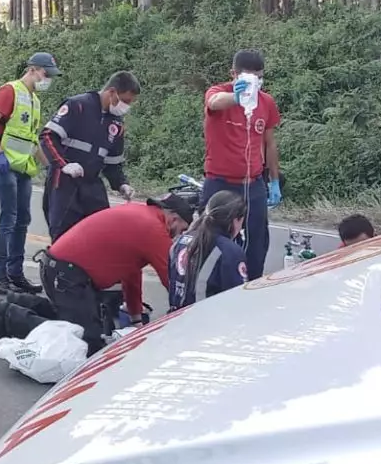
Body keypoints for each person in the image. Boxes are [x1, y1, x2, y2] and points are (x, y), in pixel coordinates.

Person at [35, 192, 187, 356]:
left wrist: (136, 320)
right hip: (67, 277)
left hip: (62, 272)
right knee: (87, 345)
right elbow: (173, 281)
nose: (180, 235)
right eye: (182, 229)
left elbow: (131, 275)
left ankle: (21, 307)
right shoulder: (153, 228)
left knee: (84, 331)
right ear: (174, 218)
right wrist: (192, 316)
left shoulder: (141, 216)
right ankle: (9, 315)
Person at [0, 52, 60, 295]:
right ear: (33, 69)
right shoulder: (9, 91)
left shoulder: (34, 100)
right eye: (46, 74)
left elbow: (32, 140)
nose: (47, 79)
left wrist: (52, 165)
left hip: (22, 167)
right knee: (9, 218)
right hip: (1, 163)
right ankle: (1, 277)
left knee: (23, 220)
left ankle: (16, 275)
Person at [202, 49, 283, 281]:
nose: (254, 84)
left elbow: (269, 144)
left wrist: (274, 180)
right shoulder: (221, 93)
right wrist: (237, 97)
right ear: (234, 75)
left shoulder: (266, 102)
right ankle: (202, 288)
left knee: (257, 240)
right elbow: (214, 102)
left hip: (253, 183)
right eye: (248, 78)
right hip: (220, 183)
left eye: (258, 78)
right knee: (210, 238)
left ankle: (251, 285)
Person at [39, 71, 140, 242]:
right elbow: (48, 136)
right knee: (64, 239)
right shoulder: (77, 106)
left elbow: (113, 163)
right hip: (65, 183)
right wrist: (63, 165)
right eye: (125, 101)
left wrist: (122, 184)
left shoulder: (116, 123)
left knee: (100, 235)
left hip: (92, 185)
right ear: (111, 92)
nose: (126, 107)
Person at [167, 190, 250, 312]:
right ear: (236, 220)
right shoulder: (229, 251)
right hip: (207, 321)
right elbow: (237, 299)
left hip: (175, 318)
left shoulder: (180, 242)